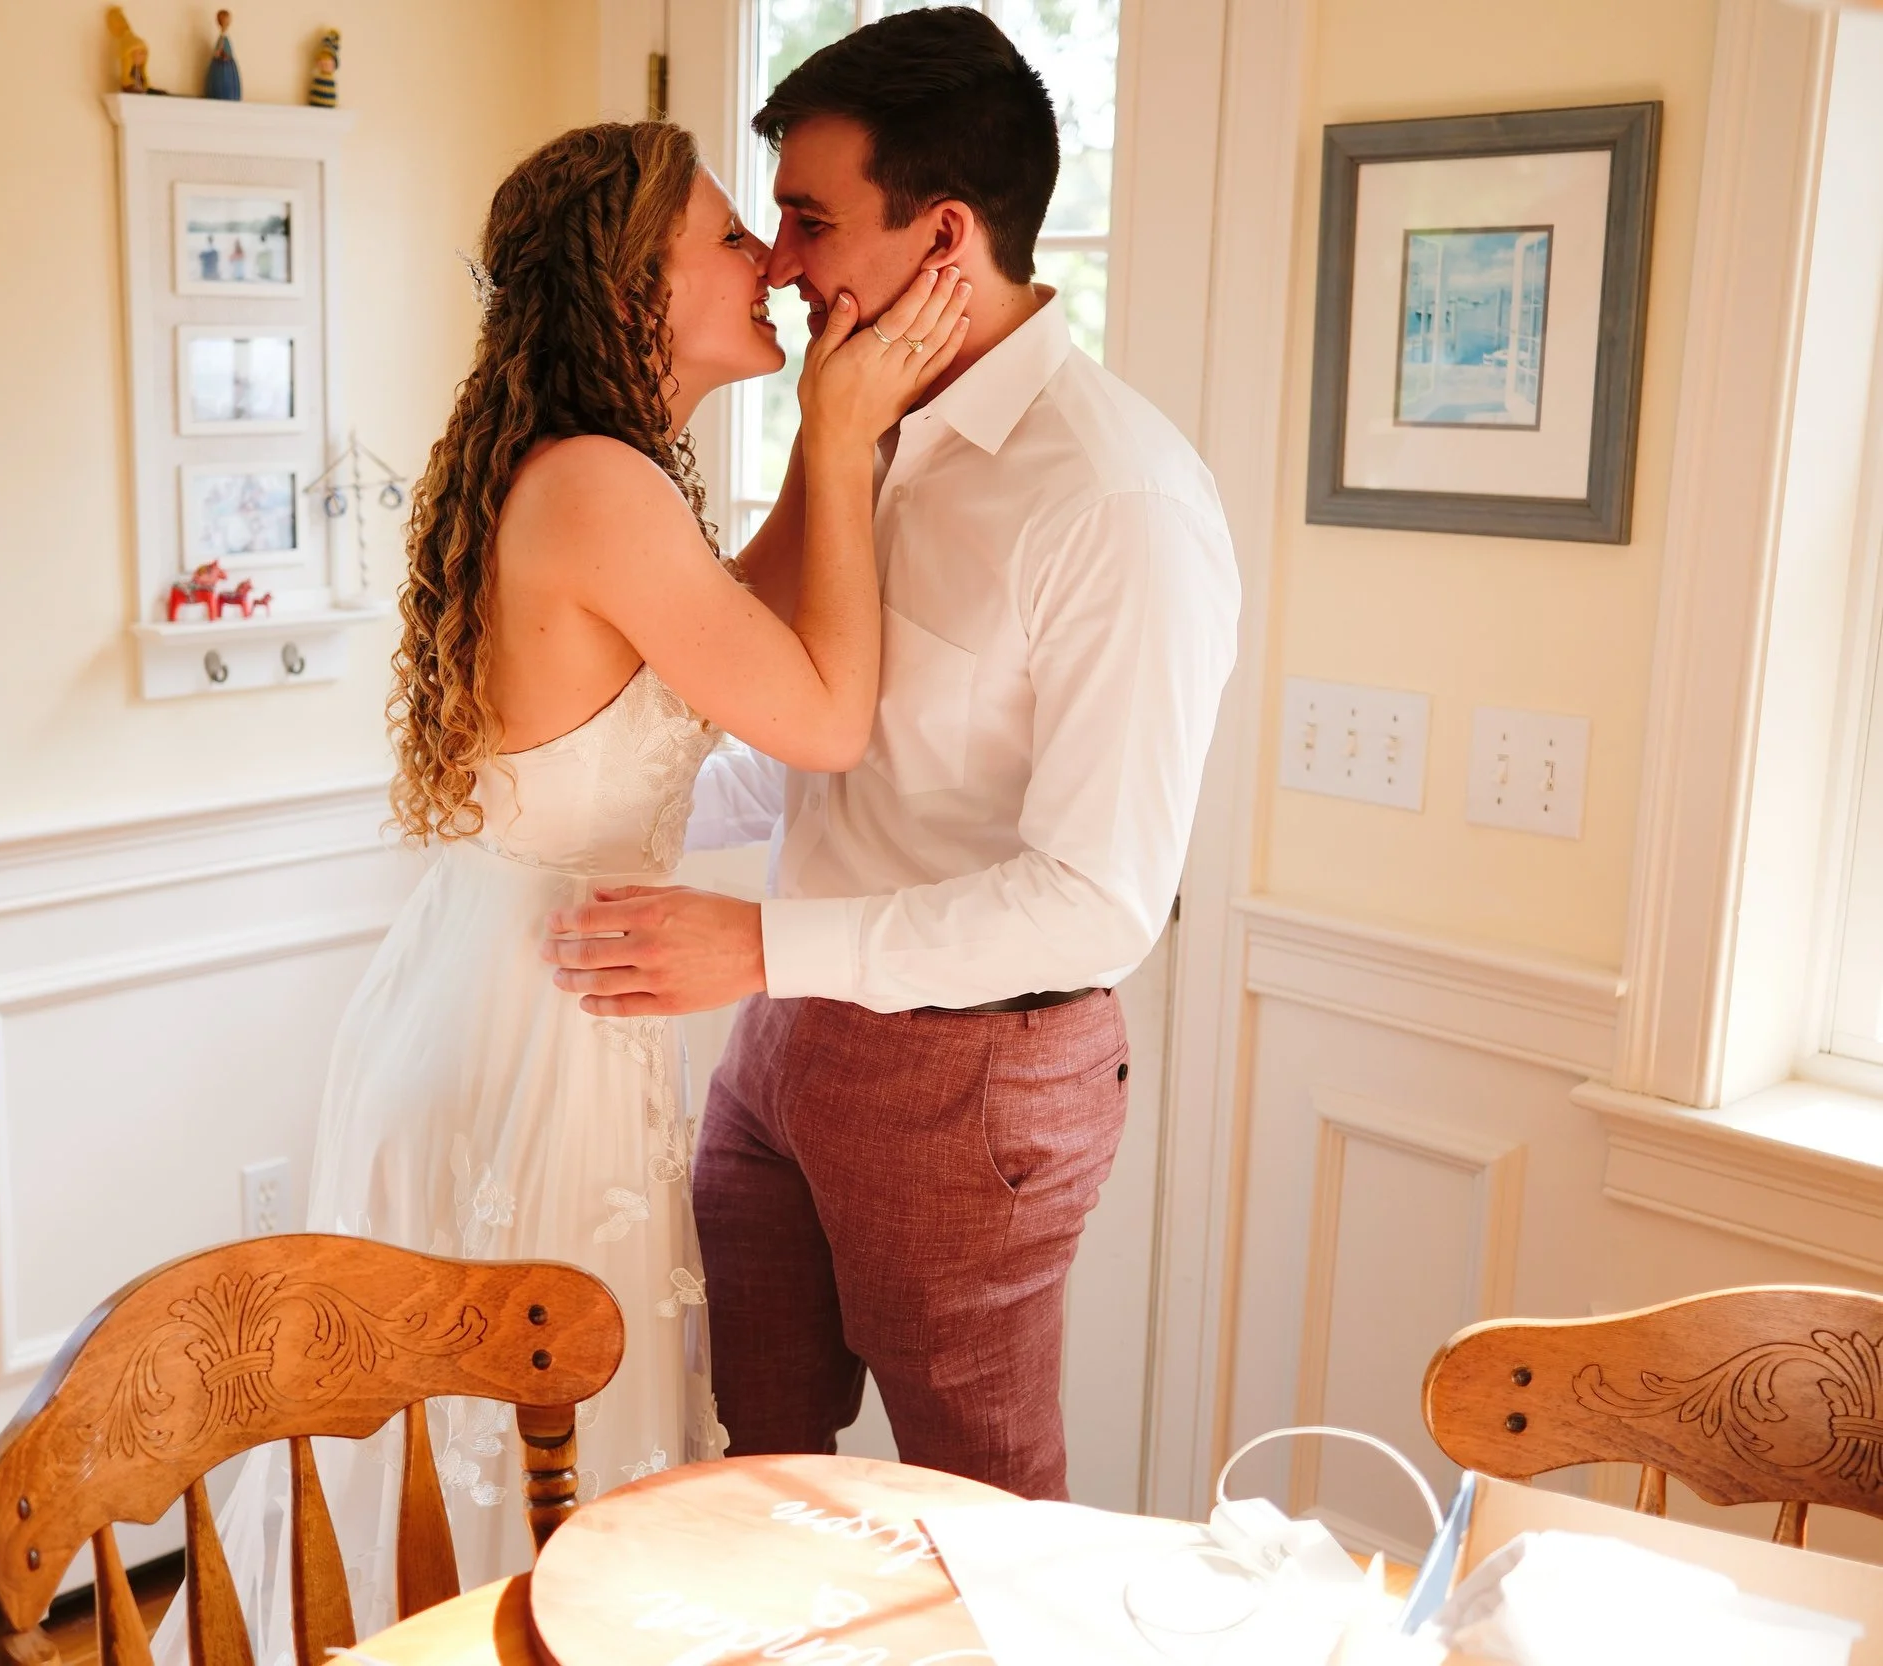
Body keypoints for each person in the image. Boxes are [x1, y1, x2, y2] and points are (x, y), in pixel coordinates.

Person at [148, 120, 968, 1661]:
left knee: (512, 1453)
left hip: (506, 987)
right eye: (731, 236)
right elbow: (828, 718)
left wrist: (820, 442)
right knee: (522, 1472)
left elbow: (745, 617)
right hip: (531, 1028)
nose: (769, 264)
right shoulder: (599, 483)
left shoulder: (592, 476)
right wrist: (845, 441)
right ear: (634, 281)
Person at [540, 8, 1241, 1501]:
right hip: (780, 1051)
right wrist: (602, 819)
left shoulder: (1118, 505)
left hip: (973, 1080)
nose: (781, 266)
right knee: (748, 1478)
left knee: (978, 1510)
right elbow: (812, 745)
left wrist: (760, 941)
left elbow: (1100, 899)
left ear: (942, 238)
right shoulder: (853, 429)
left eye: (806, 221)